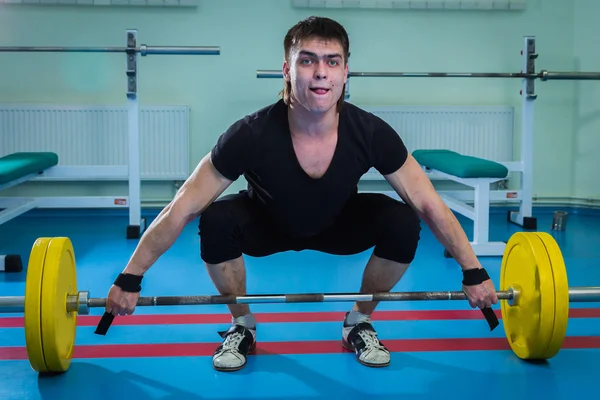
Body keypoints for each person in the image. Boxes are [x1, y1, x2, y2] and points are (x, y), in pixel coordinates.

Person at [103, 16, 498, 372]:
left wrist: (473, 270)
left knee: (402, 220)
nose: (320, 73)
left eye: (332, 61)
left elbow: (427, 201)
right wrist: (130, 277)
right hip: (266, 226)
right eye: (307, 60)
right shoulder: (250, 134)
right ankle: (242, 324)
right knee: (216, 218)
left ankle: (358, 321)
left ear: (346, 71)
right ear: (287, 70)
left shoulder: (371, 132)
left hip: (338, 224)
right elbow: (182, 206)